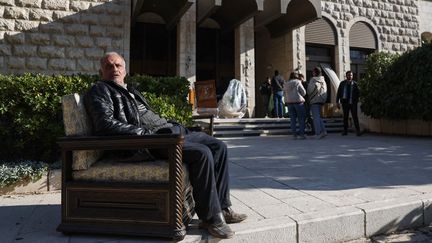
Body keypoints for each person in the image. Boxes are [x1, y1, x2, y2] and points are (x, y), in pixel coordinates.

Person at [84, 52, 247, 239]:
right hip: (150, 141)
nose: (114, 69)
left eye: (118, 66)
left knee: (219, 147)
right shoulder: (100, 91)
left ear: (125, 70)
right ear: (100, 72)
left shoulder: (130, 90)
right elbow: (105, 125)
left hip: (169, 131)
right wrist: (146, 135)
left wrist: (170, 125)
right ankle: (211, 218)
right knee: (202, 153)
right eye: (109, 66)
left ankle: (224, 207)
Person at [336, 70, 361, 136]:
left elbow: (358, 93)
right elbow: (338, 93)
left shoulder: (355, 84)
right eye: (348, 75)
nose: (350, 76)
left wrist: (356, 100)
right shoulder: (342, 83)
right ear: (346, 76)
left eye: (351, 75)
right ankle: (345, 131)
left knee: (355, 117)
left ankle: (358, 131)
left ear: (352, 76)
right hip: (345, 103)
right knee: (345, 117)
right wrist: (337, 102)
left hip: (353, 103)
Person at [283, 72, 307, 139]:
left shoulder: (286, 84)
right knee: (301, 118)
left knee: (292, 119)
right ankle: (302, 134)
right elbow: (304, 92)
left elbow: (284, 93)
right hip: (298, 102)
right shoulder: (298, 82)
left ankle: (294, 135)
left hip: (289, 103)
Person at [307, 67, 328, 139]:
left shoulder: (313, 80)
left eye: (313, 72)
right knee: (319, 117)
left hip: (314, 100)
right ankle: (324, 131)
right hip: (321, 100)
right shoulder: (323, 81)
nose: (312, 73)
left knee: (316, 118)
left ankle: (318, 133)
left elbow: (309, 91)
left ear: (315, 72)